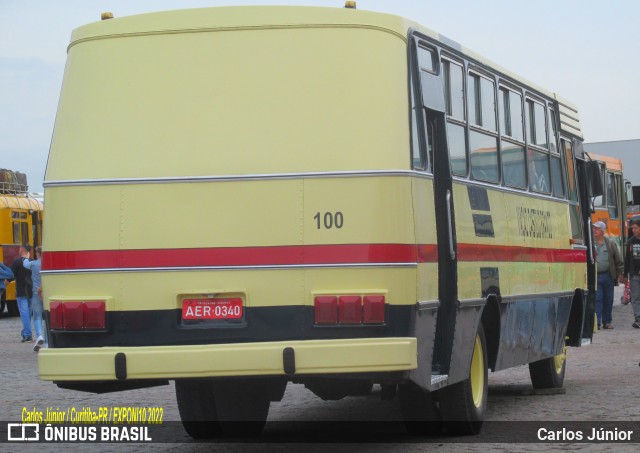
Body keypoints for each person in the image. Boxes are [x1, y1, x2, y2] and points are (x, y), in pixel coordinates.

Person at [592, 221, 623, 330]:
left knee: (608, 299)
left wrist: (619, 274)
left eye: (597, 229)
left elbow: (618, 260)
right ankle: (597, 322)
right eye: (594, 228)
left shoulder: (610, 244)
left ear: (602, 231)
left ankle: (607, 322)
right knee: (597, 299)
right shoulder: (591, 243)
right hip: (596, 276)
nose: (594, 230)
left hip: (608, 276)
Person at [11, 245, 33, 342]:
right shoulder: (32, 262)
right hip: (31, 292)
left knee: (24, 313)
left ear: (22, 250)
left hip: (21, 291)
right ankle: (25, 333)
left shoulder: (16, 262)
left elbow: (10, 276)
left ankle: (27, 335)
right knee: (28, 314)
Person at [25, 246, 44, 351]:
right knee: (47, 316)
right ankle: (47, 341)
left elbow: (25, 264)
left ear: (38, 253)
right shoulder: (48, 263)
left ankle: (39, 336)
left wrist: (27, 257)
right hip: (47, 293)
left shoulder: (34, 264)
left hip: (36, 293)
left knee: (37, 317)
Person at [624, 218, 640, 329]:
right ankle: (638, 318)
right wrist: (625, 274)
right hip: (634, 274)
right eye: (632, 228)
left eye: (636, 228)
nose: (634, 230)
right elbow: (627, 259)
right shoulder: (630, 242)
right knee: (635, 297)